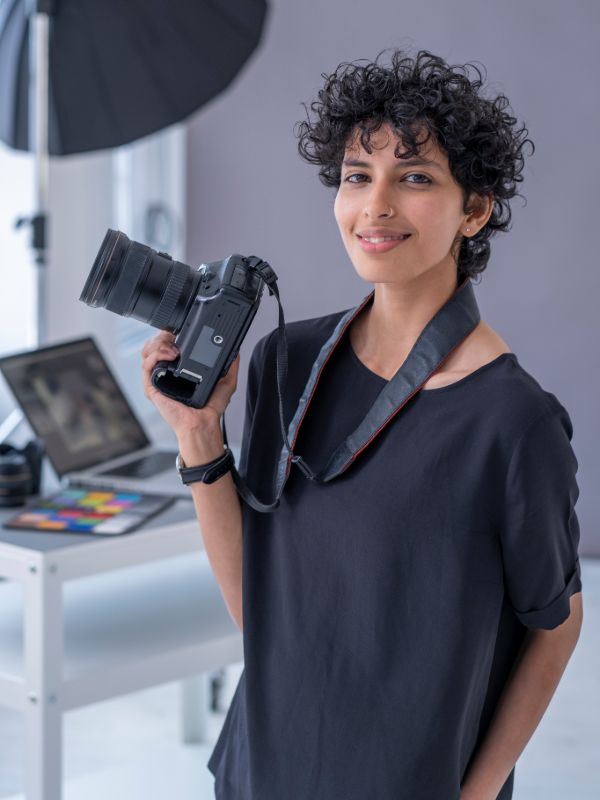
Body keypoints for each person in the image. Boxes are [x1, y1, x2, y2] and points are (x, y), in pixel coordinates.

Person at [141, 49, 583, 800]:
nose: (373, 207)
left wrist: (473, 794)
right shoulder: (287, 360)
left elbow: (556, 625)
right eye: (356, 175)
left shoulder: (514, 422)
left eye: (414, 178)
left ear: (473, 210)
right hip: (262, 769)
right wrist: (198, 435)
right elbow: (263, 610)